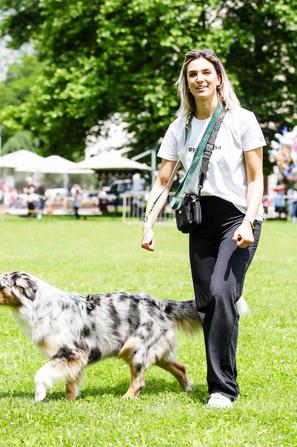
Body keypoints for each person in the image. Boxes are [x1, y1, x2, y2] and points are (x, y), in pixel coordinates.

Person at [141, 49, 265, 409]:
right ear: (187, 83)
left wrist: (247, 221)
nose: (199, 78)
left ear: (219, 78)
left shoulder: (243, 120)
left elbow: (256, 179)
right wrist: (148, 224)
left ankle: (223, 389)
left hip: (238, 218)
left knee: (222, 294)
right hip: (200, 220)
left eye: (206, 72)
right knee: (209, 304)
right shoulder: (179, 127)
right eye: (192, 74)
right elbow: (163, 181)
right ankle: (226, 307)